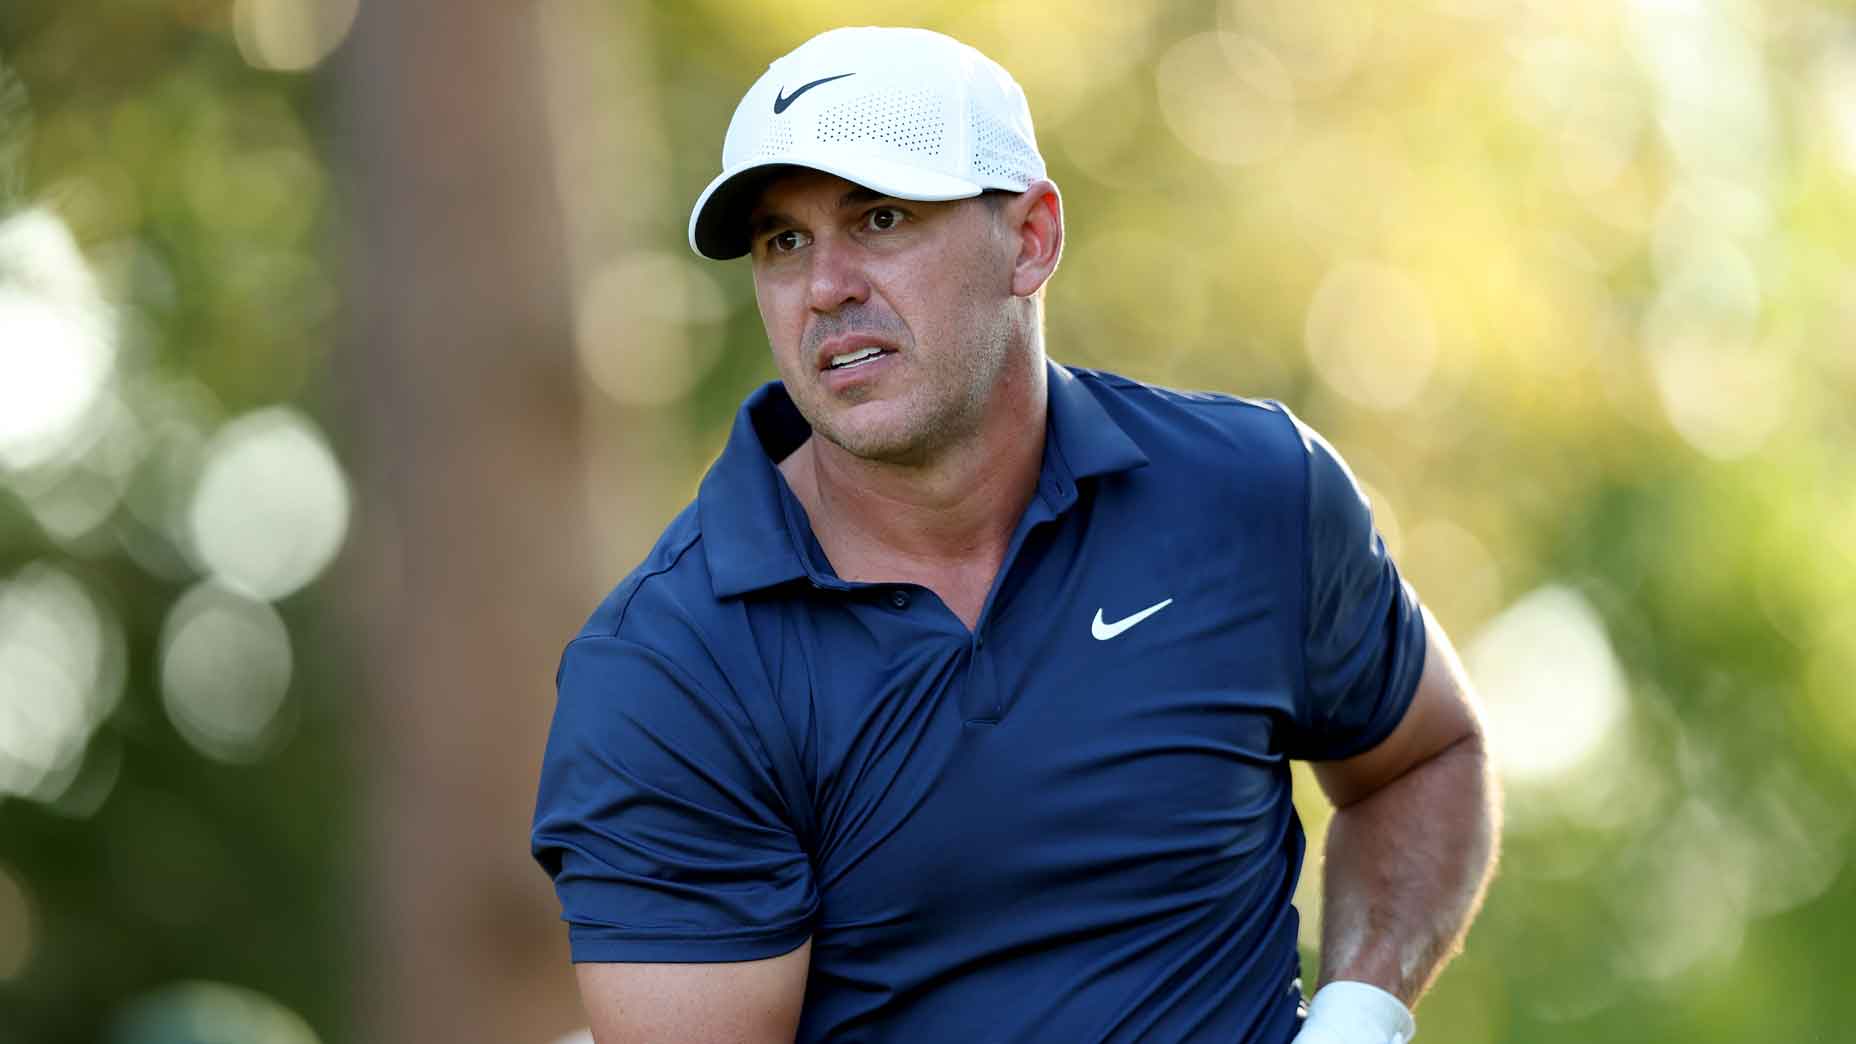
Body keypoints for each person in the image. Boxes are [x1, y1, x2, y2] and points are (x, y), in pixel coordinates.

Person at [531, 25, 1499, 1044]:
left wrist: (1359, 1017)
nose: (825, 286)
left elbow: (1425, 756)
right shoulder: (672, 668)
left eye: (880, 217)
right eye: (784, 242)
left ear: (1030, 238)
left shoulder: (1249, 492)